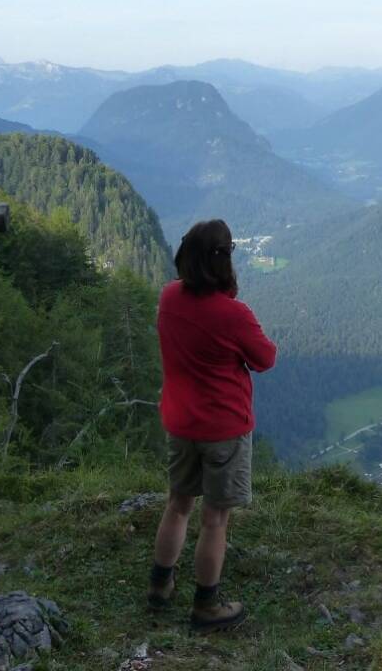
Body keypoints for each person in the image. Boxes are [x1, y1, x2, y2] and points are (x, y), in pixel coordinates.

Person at [146, 219, 277, 633]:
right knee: (215, 519)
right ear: (224, 261)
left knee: (178, 504)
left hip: (180, 421)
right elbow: (265, 358)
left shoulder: (169, 297)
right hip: (222, 427)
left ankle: (160, 586)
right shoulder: (233, 314)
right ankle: (206, 605)